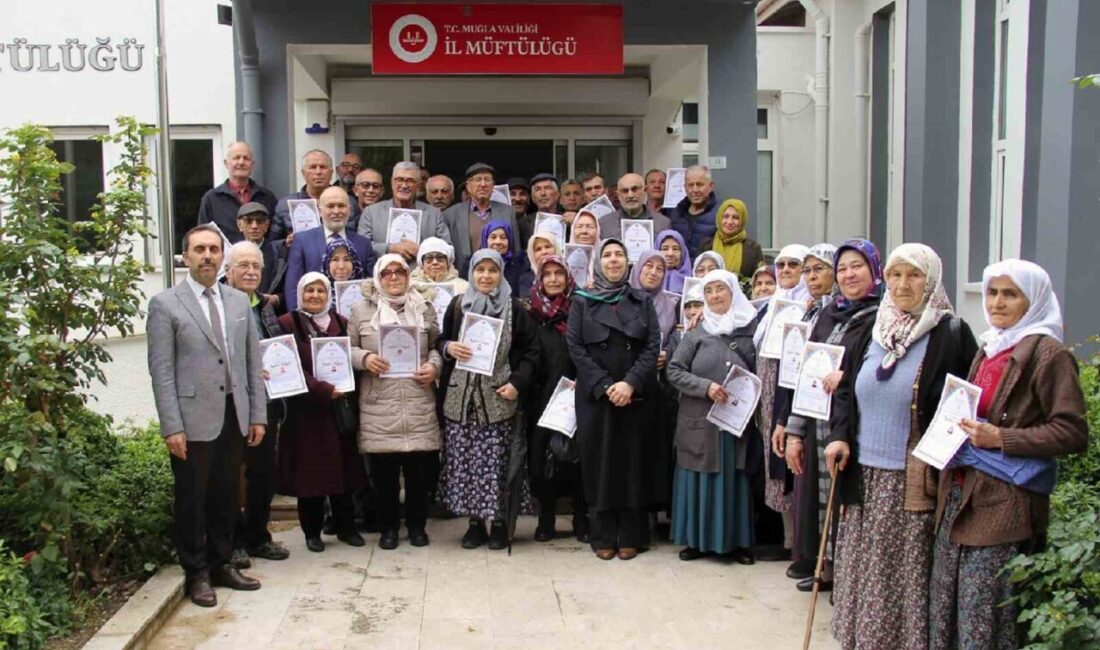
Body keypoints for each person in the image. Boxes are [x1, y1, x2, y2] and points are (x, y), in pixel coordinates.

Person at [824, 243, 978, 650]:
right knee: (863, 572)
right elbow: (845, 389)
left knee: (903, 574)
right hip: (862, 477)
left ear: (932, 281)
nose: (903, 284)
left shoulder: (949, 334)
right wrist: (838, 435)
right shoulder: (872, 328)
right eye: (895, 275)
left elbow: (966, 403)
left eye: (914, 275)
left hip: (912, 481)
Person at [928, 259, 1088, 650]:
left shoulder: (1048, 355)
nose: (997, 303)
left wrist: (1002, 437)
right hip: (960, 495)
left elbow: (1071, 432)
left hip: (1002, 504)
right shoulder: (991, 346)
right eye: (992, 292)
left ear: (1034, 300)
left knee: (982, 618)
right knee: (946, 610)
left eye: (1011, 294)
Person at [146, 225, 267, 607]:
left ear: (222, 257)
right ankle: (196, 572)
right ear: (186, 256)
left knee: (226, 495)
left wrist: (257, 415)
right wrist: (172, 426)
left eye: (214, 249)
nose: (208, 256)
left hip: (234, 412)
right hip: (192, 417)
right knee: (192, 498)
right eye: (199, 249)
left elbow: (252, 363)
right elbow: (161, 371)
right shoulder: (166, 304)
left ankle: (221, 562)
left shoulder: (238, 301)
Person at [566, 239, 661, 560]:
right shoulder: (581, 301)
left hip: (635, 396)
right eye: (607, 255)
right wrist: (606, 386)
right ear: (598, 263)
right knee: (600, 464)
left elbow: (652, 345)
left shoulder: (641, 300)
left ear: (627, 262)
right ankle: (603, 535)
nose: (613, 260)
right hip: (597, 397)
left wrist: (630, 383)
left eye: (619, 254)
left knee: (633, 464)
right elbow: (576, 347)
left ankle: (632, 534)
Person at [437, 249, 537, 550]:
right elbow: (440, 340)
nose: (486, 276)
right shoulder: (458, 305)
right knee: (467, 463)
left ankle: (500, 523)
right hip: (462, 400)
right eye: (480, 270)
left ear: (501, 274)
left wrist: (517, 384)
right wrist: (448, 347)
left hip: (497, 399)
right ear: (471, 273)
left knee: (497, 464)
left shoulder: (514, 308)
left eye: (492, 270)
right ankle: (475, 523)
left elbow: (532, 352)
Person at [348, 255, 443, 550]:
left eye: (399, 272)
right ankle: (388, 528)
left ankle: (417, 527)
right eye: (386, 273)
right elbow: (347, 348)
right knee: (384, 476)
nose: (393, 277)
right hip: (379, 403)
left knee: (418, 475)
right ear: (378, 277)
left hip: (418, 401)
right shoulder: (360, 310)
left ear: (408, 275)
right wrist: (365, 358)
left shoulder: (424, 307)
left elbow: (436, 346)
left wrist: (434, 367)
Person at [667, 269, 758, 563]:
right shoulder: (697, 332)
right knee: (699, 479)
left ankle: (736, 543)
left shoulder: (750, 328)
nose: (715, 295)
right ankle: (696, 541)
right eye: (709, 290)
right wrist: (705, 387)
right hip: (700, 423)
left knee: (733, 481)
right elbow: (674, 370)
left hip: (734, 423)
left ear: (733, 292)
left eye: (721, 289)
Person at [277, 273, 369, 553]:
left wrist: (345, 387)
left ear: (329, 294)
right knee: (311, 475)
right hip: (307, 413)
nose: (315, 295)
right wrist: (322, 389)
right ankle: (312, 531)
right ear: (300, 294)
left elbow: (351, 357)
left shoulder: (341, 321)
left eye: (321, 290)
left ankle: (346, 527)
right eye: (309, 290)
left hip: (339, 411)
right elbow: (288, 364)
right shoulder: (288, 323)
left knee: (344, 472)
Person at [770, 242, 842, 586]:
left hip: (835, 418)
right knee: (811, 493)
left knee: (832, 497)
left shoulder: (843, 313)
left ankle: (834, 568)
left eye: (820, 269)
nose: (812, 277)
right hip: (807, 412)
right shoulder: (810, 314)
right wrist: (785, 421)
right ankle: (818, 564)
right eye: (808, 270)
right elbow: (794, 374)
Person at [223, 242, 291, 568]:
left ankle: (258, 536)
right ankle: (234, 541)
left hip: (267, 401)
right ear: (228, 271)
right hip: (233, 401)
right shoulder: (219, 303)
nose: (251, 272)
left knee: (263, 472)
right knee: (232, 474)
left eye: (256, 266)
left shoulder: (264, 305)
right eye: (243, 265)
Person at [523, 255, 589, 542]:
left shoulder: (581, 310)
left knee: (576, 460)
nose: (553, 279)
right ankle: (546, 517)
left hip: (575, 396)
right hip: (539, 399)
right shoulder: (530, 314)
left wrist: (582, 382)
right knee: (541, 463)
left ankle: (581, 518)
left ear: (567, 278)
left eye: (558, 273)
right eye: (547, 274)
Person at [751, 244, 810, 562]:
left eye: (793, 265)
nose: (786, 270)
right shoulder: (771, 306)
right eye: (782, 265)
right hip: (768, 397)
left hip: (789, 397)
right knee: (774, 467)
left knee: (791, 465)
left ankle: (799, 544)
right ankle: (788, 539)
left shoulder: (809, 306)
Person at [628, 251, 679, 519]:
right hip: (631, 385)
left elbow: (678, 337)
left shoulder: (672, 304)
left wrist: (668, 353)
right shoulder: (624, 299)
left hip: (660, 387)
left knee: (655, 451)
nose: (654, 272)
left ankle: (652, 512)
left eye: (660, 268)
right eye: (648, 265)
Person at [284, 186, 375, 312]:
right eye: (330, 206)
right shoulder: (302, 241)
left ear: (349, 210)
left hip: (355, 315)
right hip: (312, 317)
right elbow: (293, 286)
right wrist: (298, 319)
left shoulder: (363, 244)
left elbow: (371, 286)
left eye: (341, 206)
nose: (336, 211)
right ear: (320, 211)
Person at [358, 161, 451, 264]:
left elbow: (448, 248)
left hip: (421, 273)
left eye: (410, 181)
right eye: (399, 180)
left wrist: (423, 250)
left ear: (418, 185)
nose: (404, 185)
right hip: (384, 272)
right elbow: (362, 246)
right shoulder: (371, 212)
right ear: (392, 182)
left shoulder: (434, 214)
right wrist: (389, 248)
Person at [442, 163, 519, 277]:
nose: (483, 184)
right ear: (468, 186)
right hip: (462, 277)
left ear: (493, 186)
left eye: (487, 180)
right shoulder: (451, 214)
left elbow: (516, 250)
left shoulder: (507, 212)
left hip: (499, 276)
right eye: (478, 180)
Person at [272, 150, 361, 242]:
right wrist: (285, 243)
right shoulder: (285, 204)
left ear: (331, 173)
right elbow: (272, 243)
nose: (318, 172)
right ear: (303, 173)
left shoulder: (348, 202)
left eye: (323, 167)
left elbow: (359, 240)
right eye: (313, 167)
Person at [197, 142, 278, 244]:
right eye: (236, 158)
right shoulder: (211, 199)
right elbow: (203, 236)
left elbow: (275, 236)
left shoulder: (267, 197)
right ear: (226, 163)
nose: (241, 162)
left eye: (246, 158)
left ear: (252, 164)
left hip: (259, 254)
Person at [234, 202, 288, 309]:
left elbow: (290, 288)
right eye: (249, 221)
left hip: (269, 312)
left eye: (260, 221)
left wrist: (276, 299)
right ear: (240, 225)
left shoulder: (280, 254)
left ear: (267, 225)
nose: (254, 226)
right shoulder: (231, 254)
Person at [598, 173, 672, 239]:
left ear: (645, 191)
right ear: (618, 195)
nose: (630, 195)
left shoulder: (663, 223)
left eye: (634, 189)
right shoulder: (605, 224)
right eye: (625, 191)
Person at [670, 166, 719, 259]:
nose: (695, 190)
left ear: (711, 186)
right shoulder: (676, 213)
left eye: (699, 184)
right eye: (690, 185)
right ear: (685, 187)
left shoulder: (721, 213)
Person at [711, 199, 764, 278]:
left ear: (742, 220)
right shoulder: (706, 245)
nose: (729, 222)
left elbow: (758, 279)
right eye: (726, 216)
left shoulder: (754, 249)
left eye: (735, 218)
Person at [480, 220, 532, 299]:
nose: (498, 242)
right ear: (485, 239)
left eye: (503, 238)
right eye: (493, 237)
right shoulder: (473, 264)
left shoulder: (520, 264)